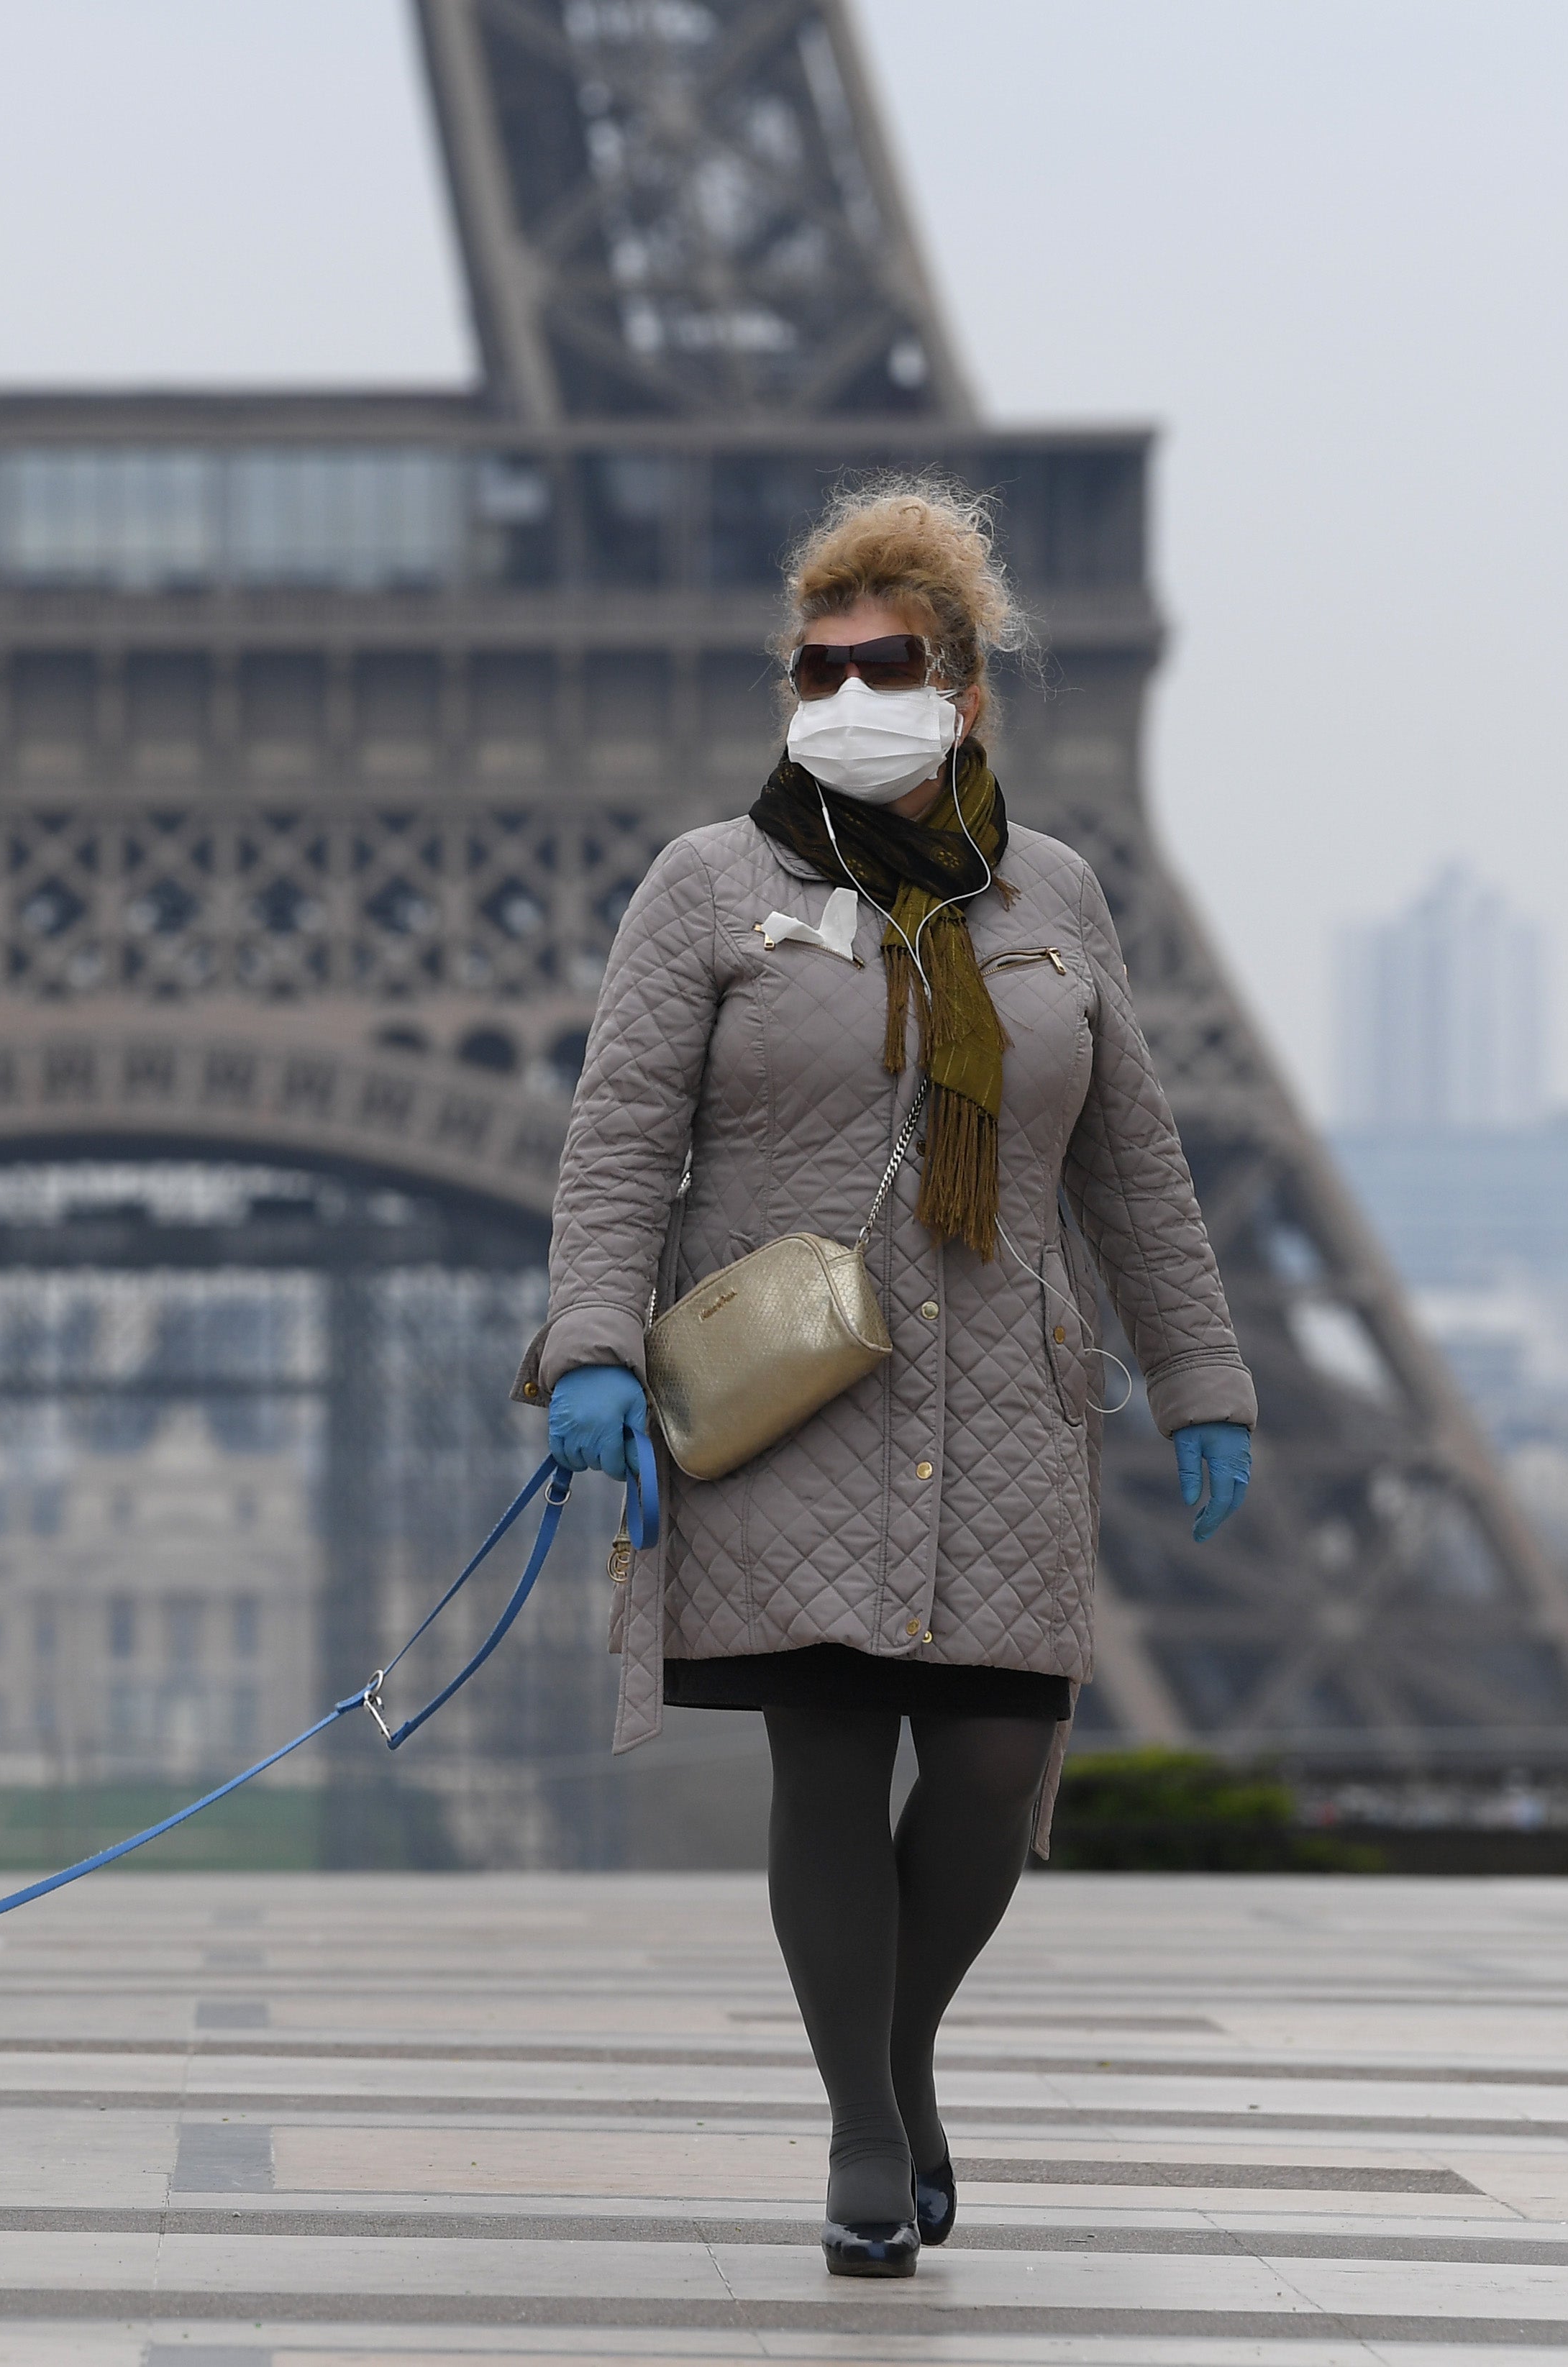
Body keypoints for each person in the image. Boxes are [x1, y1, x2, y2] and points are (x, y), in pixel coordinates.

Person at [537, 483, 1257, 2277]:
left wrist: (1202, 1373)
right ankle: (865, 2127)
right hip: (796, 1393)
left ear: (962, 688)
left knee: (997, 1761)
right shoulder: (709, 883)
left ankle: (895, 2048)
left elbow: (1134, 1163)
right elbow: (617, 1139)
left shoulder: (1055, 895)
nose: (846, 687)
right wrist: (592, 1350)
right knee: (829, 1755)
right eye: (818, 660)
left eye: (886, 660)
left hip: (1002, 1390)